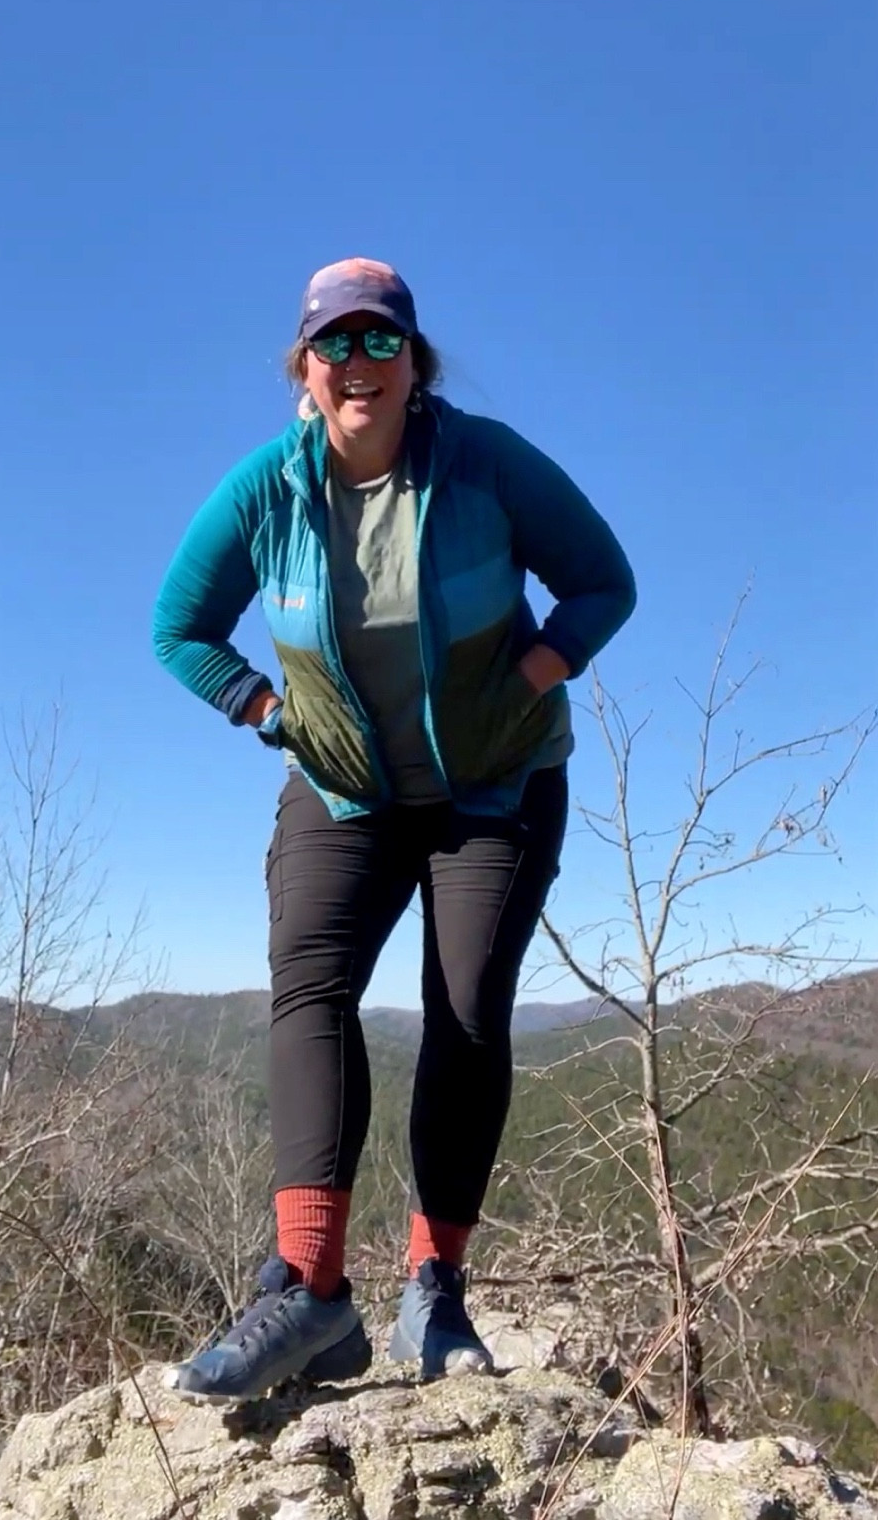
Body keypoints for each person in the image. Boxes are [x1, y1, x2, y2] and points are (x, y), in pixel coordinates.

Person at [153, 257, 635, 1402]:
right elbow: (180, 627)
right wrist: (270, 711)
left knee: (462, 1006)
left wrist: (530, 675)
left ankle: (436, 1285)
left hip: (495, 784)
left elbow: (602, 581)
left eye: (382, 340)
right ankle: (312, 1291)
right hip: (345, 790)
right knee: (309, 986)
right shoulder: (266, 491)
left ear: (416, 363)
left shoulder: (486, 462)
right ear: (304, 368)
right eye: (336, 342)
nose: (359, 361)